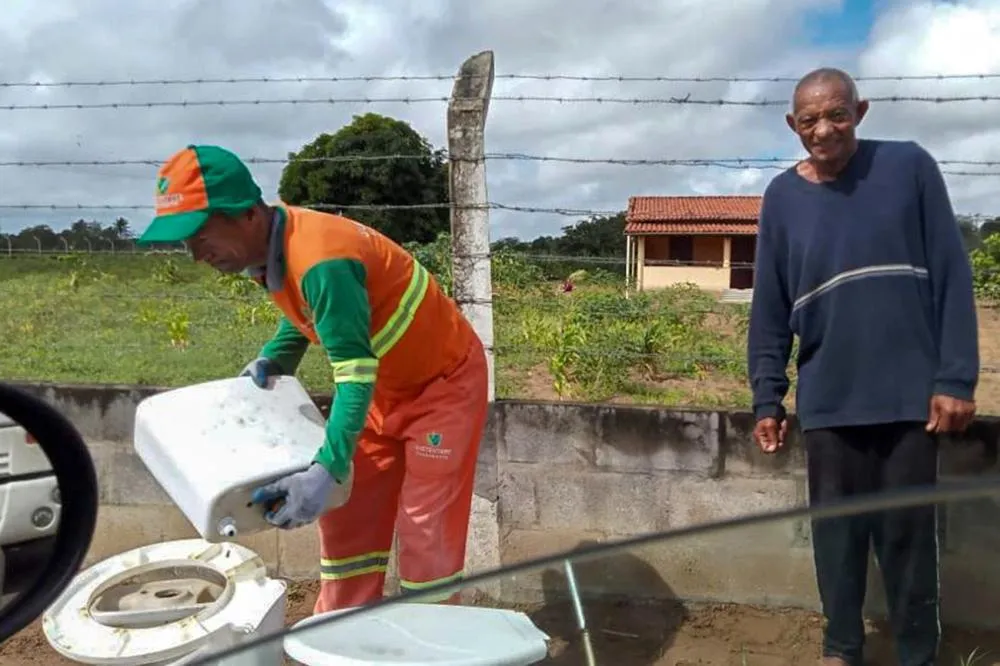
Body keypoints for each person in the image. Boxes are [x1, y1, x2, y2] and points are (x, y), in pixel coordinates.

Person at [137, 144, 489, 613]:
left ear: (244, 214)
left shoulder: (322, 257)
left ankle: (432, 637)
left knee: (426, 527)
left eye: (199, 235)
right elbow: (312, 313)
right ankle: (340, 636)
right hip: (382, 389)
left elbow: (352, 366)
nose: (195, 255)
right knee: (348, 516)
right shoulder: (273, 253)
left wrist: (327, 467)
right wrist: (275, 359)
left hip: (442, 385)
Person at [747, 68, 979, 666]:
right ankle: (841, 648)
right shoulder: (781, 197)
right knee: (836, 536)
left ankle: (917, 653)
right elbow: (769, 305)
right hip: (828, 396)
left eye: (837, 115)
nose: (825, 130)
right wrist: (767, 397)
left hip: (909, 395)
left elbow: (952, 275)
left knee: (906, 537)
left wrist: (955, 379)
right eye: (809, 121)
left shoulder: (909, 168)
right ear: (792, 126)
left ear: (861, 110)